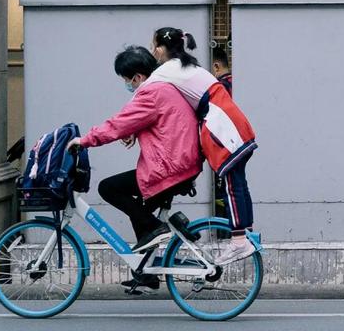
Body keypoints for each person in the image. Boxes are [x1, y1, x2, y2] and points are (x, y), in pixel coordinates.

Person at [67, 45, 202, 292]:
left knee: (108, 188)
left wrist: (84, 140)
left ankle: (156, 229)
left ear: (138, 77)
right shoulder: (163, 88)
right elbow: (154, 121)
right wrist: (135, 131)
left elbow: (118, 123)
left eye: (126, 79)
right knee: (138, 212)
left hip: (170, 166)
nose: (126, 84)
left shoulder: (151, 92)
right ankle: (145, 272)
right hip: (181, 162)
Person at [148, 27, 256, 265]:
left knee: (231, 185)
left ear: (161, 49)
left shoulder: (167, 70)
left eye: (153, 46)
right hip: (233, 123)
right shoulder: (189, 66)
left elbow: (142, 94)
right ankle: (246, 233)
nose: (152, 51)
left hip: (223, 126)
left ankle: (240, 241)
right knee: (239, 183)